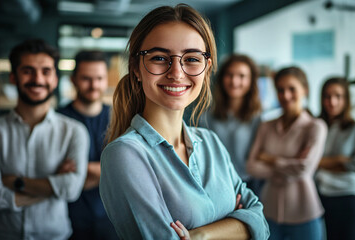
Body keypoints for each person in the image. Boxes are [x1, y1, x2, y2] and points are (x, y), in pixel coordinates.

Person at [99, 4, 269, 240]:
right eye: (159, 57)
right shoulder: (125, 154)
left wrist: (199, 235)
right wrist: (235, 224)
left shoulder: (210, 142)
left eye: (191, 59)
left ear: (206, 68)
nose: (177, 73)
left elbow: (260, 223)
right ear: (136, 68)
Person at [0, 39, 89, 240]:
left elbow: (71, 190)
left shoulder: (74, 131)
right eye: (28, 71)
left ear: (54, 79)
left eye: (46, 71)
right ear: (13, 77)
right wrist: (53, 187)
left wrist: (15, 182)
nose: (38, 79)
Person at [247, 66, 327, 240]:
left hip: (304, 212)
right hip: (268, 210)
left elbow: (304, 168)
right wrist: (289, 165)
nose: (286, 95)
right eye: (280, 90)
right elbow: (251, 166)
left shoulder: (315, 127)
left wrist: (270, 159)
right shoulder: (266, 126)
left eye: (292, 89)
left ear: (305, 90)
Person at [57, 50, 118, 240]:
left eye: (99, 78)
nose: (94, 85)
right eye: (86, 78)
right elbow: (55, 173)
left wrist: (79, 171)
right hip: (68, 221)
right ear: (73, 79)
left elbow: (126, 171)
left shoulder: (119, 119)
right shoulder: (57, 120)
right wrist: (107, 172)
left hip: (111, 221)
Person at [199, 54, 264, 196]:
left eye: (241, 76)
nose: (235, 81)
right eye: (230, 75)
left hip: (250, 184)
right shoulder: (206, 116)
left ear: (251, 81)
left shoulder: (259, 118)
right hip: (215, 184)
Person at [316, 77, 355, 240]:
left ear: (346, 100)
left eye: (338, 96)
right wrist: (339, 160)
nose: (332, 101)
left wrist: (319, 162)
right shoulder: (316, 125)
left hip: (347, 197)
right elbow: (307, 162)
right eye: (327, 96)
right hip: (320, 195)